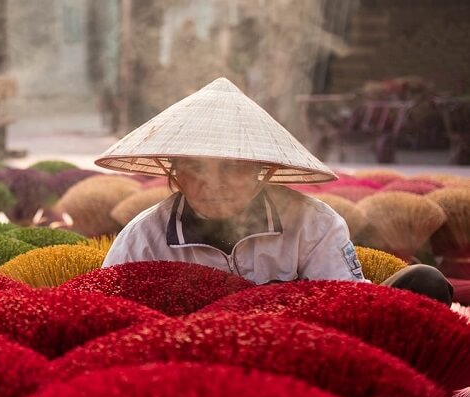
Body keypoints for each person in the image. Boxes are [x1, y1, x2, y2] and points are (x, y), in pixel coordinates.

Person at [96, 78, 453, 304]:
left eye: (232, 168)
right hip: (190, 369)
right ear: (172, 174)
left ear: (262, 172)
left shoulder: (313, 224)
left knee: (423, 282)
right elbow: (111, 317)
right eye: (195, 168)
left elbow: (347, 308)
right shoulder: (143, 238)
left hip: (305, 359)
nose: (213, 183)